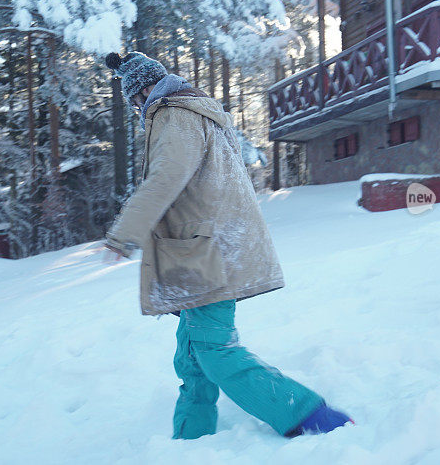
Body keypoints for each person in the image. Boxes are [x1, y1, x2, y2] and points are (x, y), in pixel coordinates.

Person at [103, 51, 352, 439]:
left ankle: (305, 413)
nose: (137, 110)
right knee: (192, 351)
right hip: (201, 249)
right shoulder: (196, 113)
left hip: (206, 253)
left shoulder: (173, 115)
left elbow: (165, 179)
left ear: (146, 90)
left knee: (214, 350)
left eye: (136, 101)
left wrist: (123, 234)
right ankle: (192, 434)